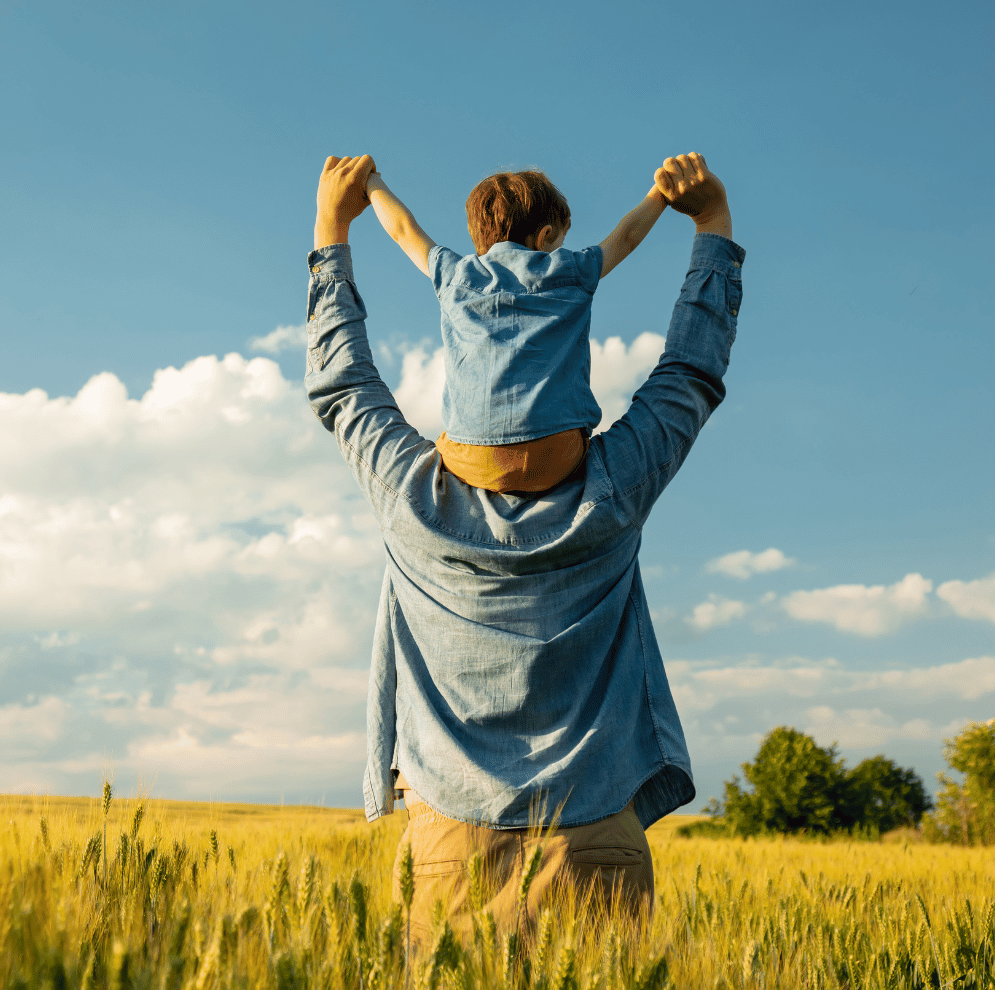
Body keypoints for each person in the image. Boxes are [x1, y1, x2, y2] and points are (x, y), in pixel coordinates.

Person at [305, 152, 742, 941]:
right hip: (596, 841)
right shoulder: (614, 491)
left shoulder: (410, 499)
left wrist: (332, 230)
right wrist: (710, 224)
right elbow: (689, 374)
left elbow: (344, 386)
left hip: (450, 851)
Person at [364, 167, 668, 493]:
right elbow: (626, 237)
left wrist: (371, 182)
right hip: (557, 456)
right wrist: (660, 194)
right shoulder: (571, 270)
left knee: (442, 443)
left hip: (474, 461)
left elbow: (403, 229)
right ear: (544, 236)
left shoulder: (454, 275)